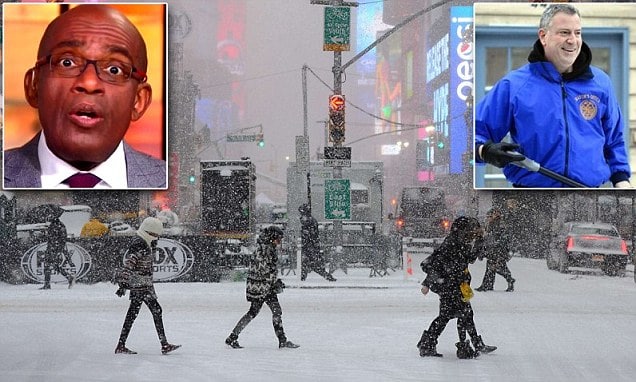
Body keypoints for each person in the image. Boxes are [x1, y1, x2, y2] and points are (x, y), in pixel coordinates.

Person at [4, 4, 166, 189]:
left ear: (138, 101)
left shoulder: (173, 183)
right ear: (34, 86)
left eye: (114, 69)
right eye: (67, 62)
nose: (89, 83)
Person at [475, 3, 632, 188]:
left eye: (578, 33)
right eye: (564, 33)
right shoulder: (514, 86)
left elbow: (614, 139)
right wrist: (484, 150)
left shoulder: (601, 83)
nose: (573, 40)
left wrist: (622, 182)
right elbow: (472, 133)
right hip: (531, 200)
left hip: (589, 198)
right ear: (543, 36)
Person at [417, 217, 497, 359]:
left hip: (456, 284)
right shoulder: (451, 243)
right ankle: (457, 346)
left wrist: (479, 242)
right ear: (462, 229)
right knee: (452, 315)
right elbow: (438, 263)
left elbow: (470, 258)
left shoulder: (460, 241)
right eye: (471, 229)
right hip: (449, 285)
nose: (472, 232)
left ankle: (466, 345)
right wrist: (427, 283)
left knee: (463, 314)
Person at [225, 226, 299, 349]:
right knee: (274, 311)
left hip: (259, 286)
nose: (279, 242)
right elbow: (265, 269)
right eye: (278, 239)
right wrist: (275, 282)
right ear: (272, 238)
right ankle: (282, 340)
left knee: (254, 312)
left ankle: (232, 337)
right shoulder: (266, 250)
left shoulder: (263, 247)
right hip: (263, 287)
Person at [114, 217, 180, 355]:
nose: (158, 238)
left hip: (142, 284)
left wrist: (125, 284)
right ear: (151, 233)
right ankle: (164, 344)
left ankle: (121, 345)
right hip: (140, 285)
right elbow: (130, 263)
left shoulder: (144, 242)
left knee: (133, 314)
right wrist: (123, 283)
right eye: (156, 235)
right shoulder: (140, 245)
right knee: (156, 310)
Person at [475, 208, 515, 292]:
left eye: (490, 216)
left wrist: (498, 246)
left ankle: (509, 279)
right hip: (493, 249)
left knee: (496, 267)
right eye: (488, 216)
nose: (488, 218)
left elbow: (503, 238)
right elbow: (488, 238)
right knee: (492, 267)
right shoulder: (491, 224)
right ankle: (487, 285)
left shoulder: (500, 224)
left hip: (498, 249)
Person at [40, 205, 75, 290]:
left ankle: (48, 284)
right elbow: (52, 237)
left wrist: (59, 250)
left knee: (49, 265)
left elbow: (62, 239)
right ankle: (68, 278)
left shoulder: (59, 225)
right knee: (54, 265)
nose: (48, 217)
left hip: (55, 248)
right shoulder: (54, 225)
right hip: (52, 247)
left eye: (50, 215)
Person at [298, 204, 336, 282]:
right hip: (310, 246)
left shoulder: (309, 221)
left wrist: (306, 240)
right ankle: (303, 278)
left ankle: (303, 278)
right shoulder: (310, 221)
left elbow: (311, 234)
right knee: (309, 264)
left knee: (311, 264)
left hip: (310, 246)